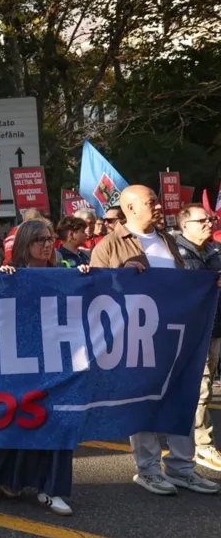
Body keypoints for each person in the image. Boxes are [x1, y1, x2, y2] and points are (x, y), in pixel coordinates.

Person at [89, 185, 220, 496]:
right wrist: (121, 275)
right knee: (142, 404)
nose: (159, 206)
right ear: (131, 209)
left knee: (181, 399)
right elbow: (93, 293)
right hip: (134, 338)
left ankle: (182, 469)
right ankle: (148, 470)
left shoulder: (167, 240)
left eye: (157, 201)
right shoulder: (109, 246)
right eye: (151, 202)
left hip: (175, 337)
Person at [0, 220, 85, 516]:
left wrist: (86, 279)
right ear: (24, 243)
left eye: (50, 238)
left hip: (57, 360)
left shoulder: (65, 274)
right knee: (19, 418)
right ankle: (10, 478)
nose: (47, 244)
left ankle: (51, 488)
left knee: (58, 420)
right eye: (38, 239)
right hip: (18, 361)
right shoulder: (9, 275)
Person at [174, 205, 221, 472]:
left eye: (210, 219)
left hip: (215, 327)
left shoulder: (216, 250)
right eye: (201, 220)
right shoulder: (175, 252)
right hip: (191, 330)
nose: (208, 223)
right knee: (200, 388)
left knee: (208, 385)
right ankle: (202, 444)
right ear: (184, 225)